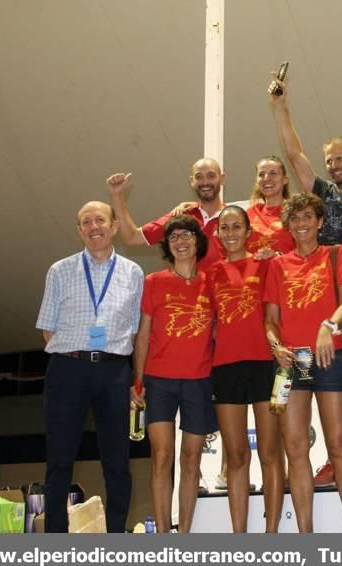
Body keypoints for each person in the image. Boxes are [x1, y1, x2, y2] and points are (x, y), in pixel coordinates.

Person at [269, 72, 342, 486]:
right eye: (329, 159)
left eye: (340, 158)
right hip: (325, 302)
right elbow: (294, 152)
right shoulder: (321, 194)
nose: (333, 165)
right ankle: (335, 457)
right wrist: (281, 106)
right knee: (329, 382)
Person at [36, 201, 143, 533]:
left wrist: (134, 379)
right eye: (86, 221)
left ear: (113, 226)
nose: (94, 226)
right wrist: (75, 356)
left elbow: (137, 331)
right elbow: (47, 328)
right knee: (59, 459)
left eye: (100, 220)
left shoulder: (133, 272)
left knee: (117, 459)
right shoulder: (60, 270)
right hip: (69, 369)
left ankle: (114, 534)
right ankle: (55, 536)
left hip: (114, 372)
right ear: (79, 229)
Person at [263, 193, 342, 533]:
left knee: (338, 443)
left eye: (307, 217)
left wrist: (328, 326)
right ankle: (306, 536)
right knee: (295, 448)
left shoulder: (336, 254)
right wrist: (276, 346)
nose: (301, 224)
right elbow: (271, 319)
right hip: (294, 362)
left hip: (330, 354)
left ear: (319, 222)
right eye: (295, 219)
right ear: (288, 226)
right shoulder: (277, 265)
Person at [130, 215, 217, 534]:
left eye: (187, 236)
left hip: (198, 380)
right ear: (167, 246)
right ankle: (164, 534)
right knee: (161, 456)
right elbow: (142, 336)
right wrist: (138, 380)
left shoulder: (212, 282)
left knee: (192, 459)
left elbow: (220, 331)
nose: (180, 242)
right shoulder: (153, 282)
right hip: (159, 380)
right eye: (174, 237)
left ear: (198, 242)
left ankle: (185, 533)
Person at [210, 205, 285, 532]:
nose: (230, 233)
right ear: (217, 234)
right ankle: (239, 535)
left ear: (248, 231)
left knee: (270, 453)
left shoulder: (266, 264)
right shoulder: (210, 273)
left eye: (236, 227)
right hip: (225, 368)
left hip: (264, 365)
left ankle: (271, 533)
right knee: (237, 457)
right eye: (224, 228)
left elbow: (276, 315)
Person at [106, 158, 226, 267]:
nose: (205, 182)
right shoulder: (181, 217)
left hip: (226, 290)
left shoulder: (235, 220)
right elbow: (132, 237)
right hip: (188, 289)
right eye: (199, 177)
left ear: (222, 179)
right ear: (192, 181)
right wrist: (117, 195)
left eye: (211, 176)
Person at [246, 156, 295, 258]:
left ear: (285, 179)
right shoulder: (249, 214)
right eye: (261, 174)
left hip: (285, 272)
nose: (266, 178)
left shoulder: (296, 212)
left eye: (273, 173)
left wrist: (278, 257)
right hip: (252, 273)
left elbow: (307, 250)